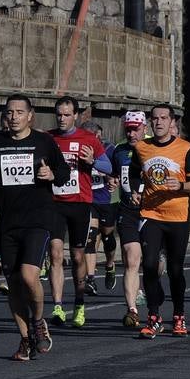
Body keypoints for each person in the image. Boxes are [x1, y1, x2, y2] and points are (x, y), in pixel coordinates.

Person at [0, 94, 69, 361]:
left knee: (29, 276)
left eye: (19, 112)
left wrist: (51, 175)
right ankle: (25, 339)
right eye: (9, 112)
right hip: (7, 222)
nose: (14, 117)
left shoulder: (44, 142)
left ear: (30, 115)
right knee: (14, 284)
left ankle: (38, 321)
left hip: (37, 219)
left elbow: (63, 173)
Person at [132, 104, 190, 339]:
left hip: (178, 216)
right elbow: (133, 174)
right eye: (155, 119)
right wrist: (134, 190)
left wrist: (181, 186)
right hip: (151, 214)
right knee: (150, 265)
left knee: (175, 269)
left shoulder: (184, 148)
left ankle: (179, 315)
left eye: (163, 118)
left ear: (172, 122)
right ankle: (153, 317)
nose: (159, 122)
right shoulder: (142, 148)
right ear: (150, 123)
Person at [47, 96, 105, 329]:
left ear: (76, 116)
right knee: (55, 253)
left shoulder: (88, 138)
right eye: (59, 114)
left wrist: (93, 162)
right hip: (54, 202)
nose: (62, 119)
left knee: (79, 256)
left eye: (67, 115)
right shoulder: (48, 138)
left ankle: (79, 304)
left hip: (80, 203)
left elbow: (108, 166)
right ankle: (58, 306)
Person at [109, 111, 147, 328]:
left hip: (152, 212)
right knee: (132, 259)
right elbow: (115, 174)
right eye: (128, 129)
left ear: (144, 128)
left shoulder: (153, 149)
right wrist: (112, 181)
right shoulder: (120, 151)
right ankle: (132, 310)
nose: (132, 133)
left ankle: (149, 288)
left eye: (136, 129)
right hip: (128, 211)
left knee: (152, 264)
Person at [81, 120, 118, 298]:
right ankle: (91, 278)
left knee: (108, 236)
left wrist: (113, 178)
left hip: (105, 201)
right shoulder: (78, 150)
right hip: (88, 200)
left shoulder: (109, 149)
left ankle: (110, 264)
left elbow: (116, 170)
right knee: (91, 235)